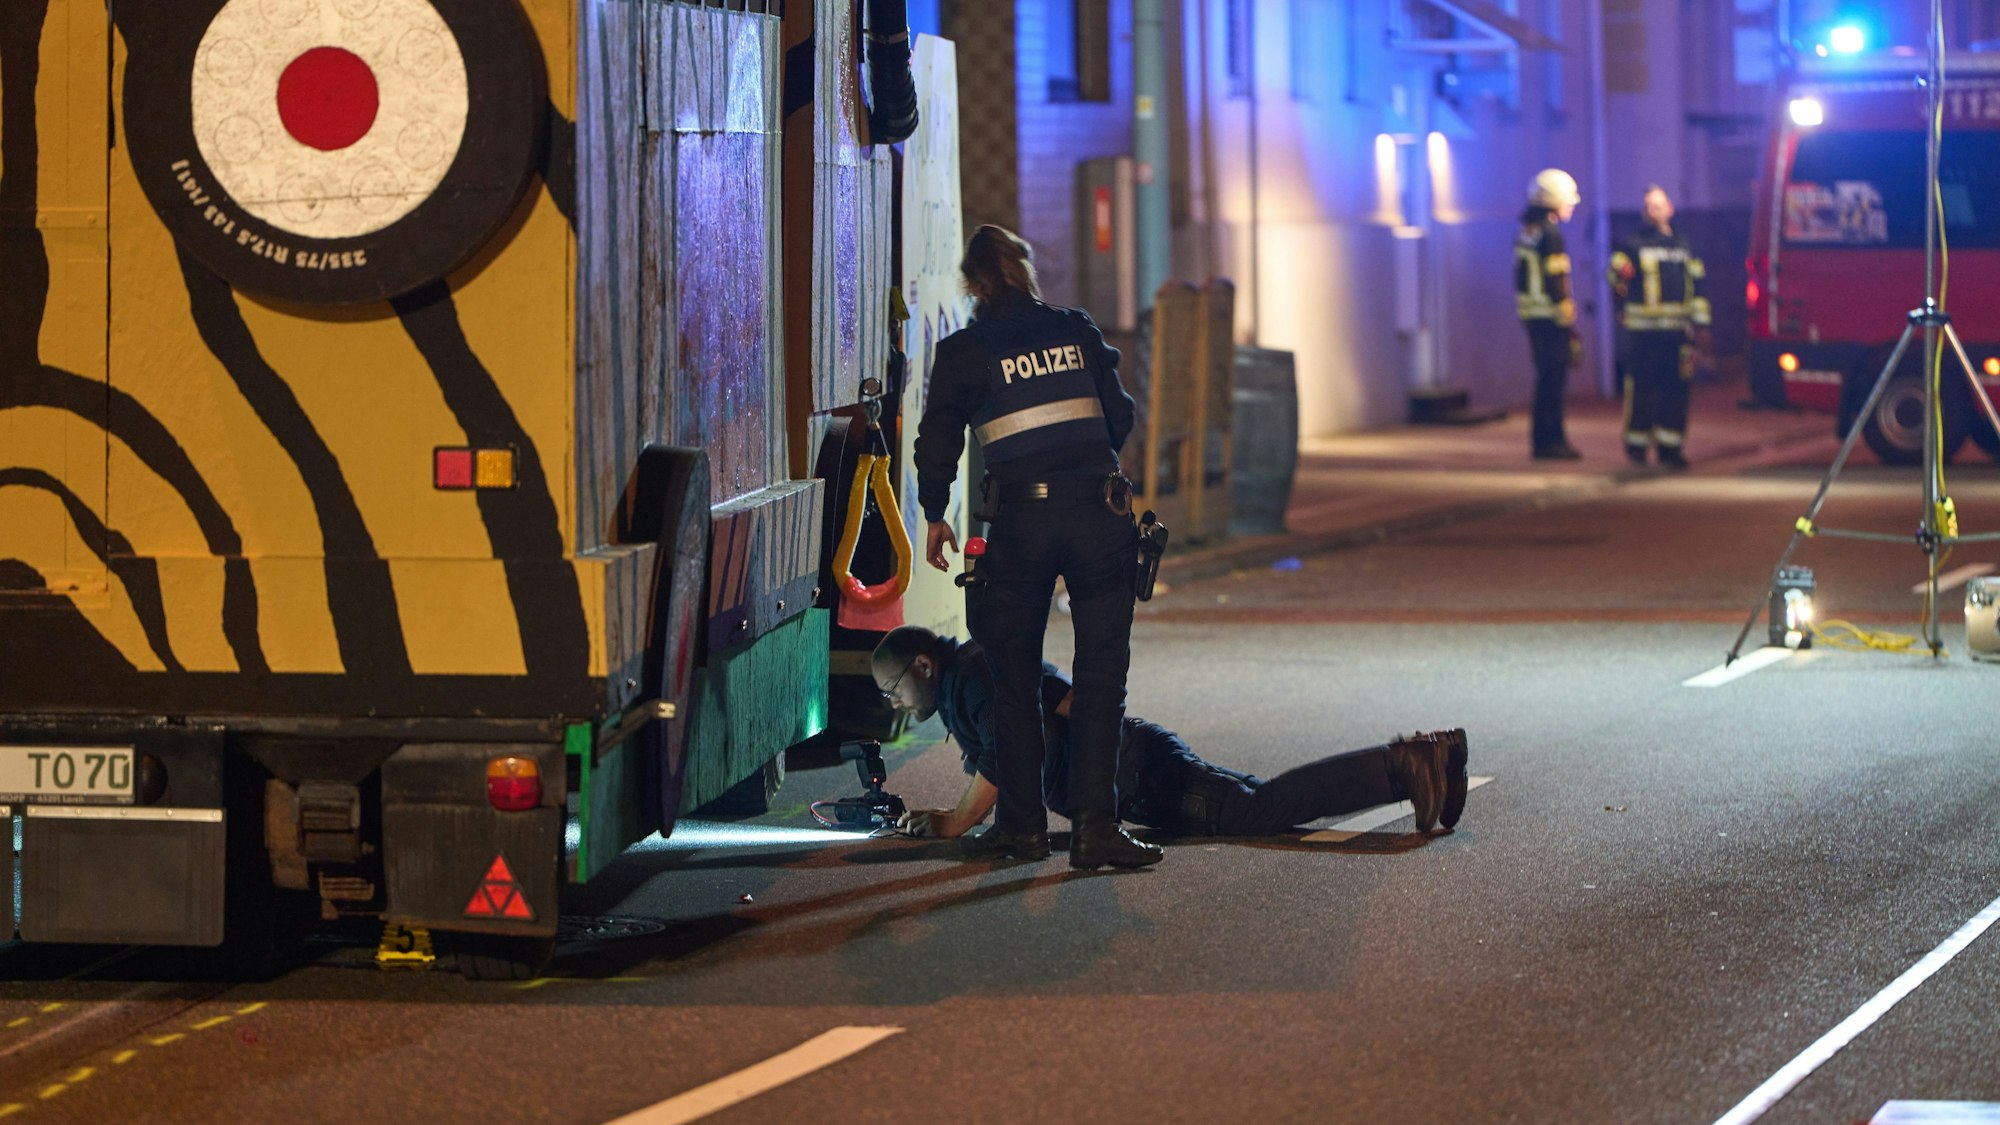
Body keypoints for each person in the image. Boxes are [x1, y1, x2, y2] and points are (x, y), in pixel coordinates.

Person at [911, 225, 1158, 870]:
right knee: (1102, 676)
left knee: (1014, 676)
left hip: (1021, 520)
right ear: (1026, 272)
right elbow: (1120, 414)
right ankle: (1094, 830)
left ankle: (1020, 832)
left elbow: (937, 441)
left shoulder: (966, 350)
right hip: (1099, 512)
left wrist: (935, 513)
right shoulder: (1075, 329)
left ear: (972, 285)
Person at [870, 627, 1470, 841]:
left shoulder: (973, 681)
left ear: (924, 665)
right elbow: (1060, 706)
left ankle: (1407, 765)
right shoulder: (977, 673)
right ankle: (1433, 757)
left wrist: (957, 819)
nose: (894, 702)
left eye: (894, 687)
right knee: (1261, 800)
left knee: (1260, 812)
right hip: (1138, 760)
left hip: (1139, 775)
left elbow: (1007, 758)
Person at [1608, 185, 1710, 469]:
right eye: (1648, 206)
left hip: (1677, 335)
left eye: (1658, 205)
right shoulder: (1631, 245)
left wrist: (1701, 325)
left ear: (1670, 209)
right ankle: (1637, 448)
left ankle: (1671, 448)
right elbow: (1614, 278)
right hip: (1643, 335)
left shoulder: (1686, 247)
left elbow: (1699, 288)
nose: (1653, 210)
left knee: (1676, 391)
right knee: (1641, 390)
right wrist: (1619, 282)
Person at [1517, 169, 1583, 461]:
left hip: (1532, 316)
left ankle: (1542, 441)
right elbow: (1557, 281)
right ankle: (1553, 442)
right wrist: (1567, 316)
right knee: (1553, 381)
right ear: (1553, 200)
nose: (1571, 206)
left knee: (1544, 379)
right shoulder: (1552, 233)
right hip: (1551, 318)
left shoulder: (1529, 230)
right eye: (1568, 200)